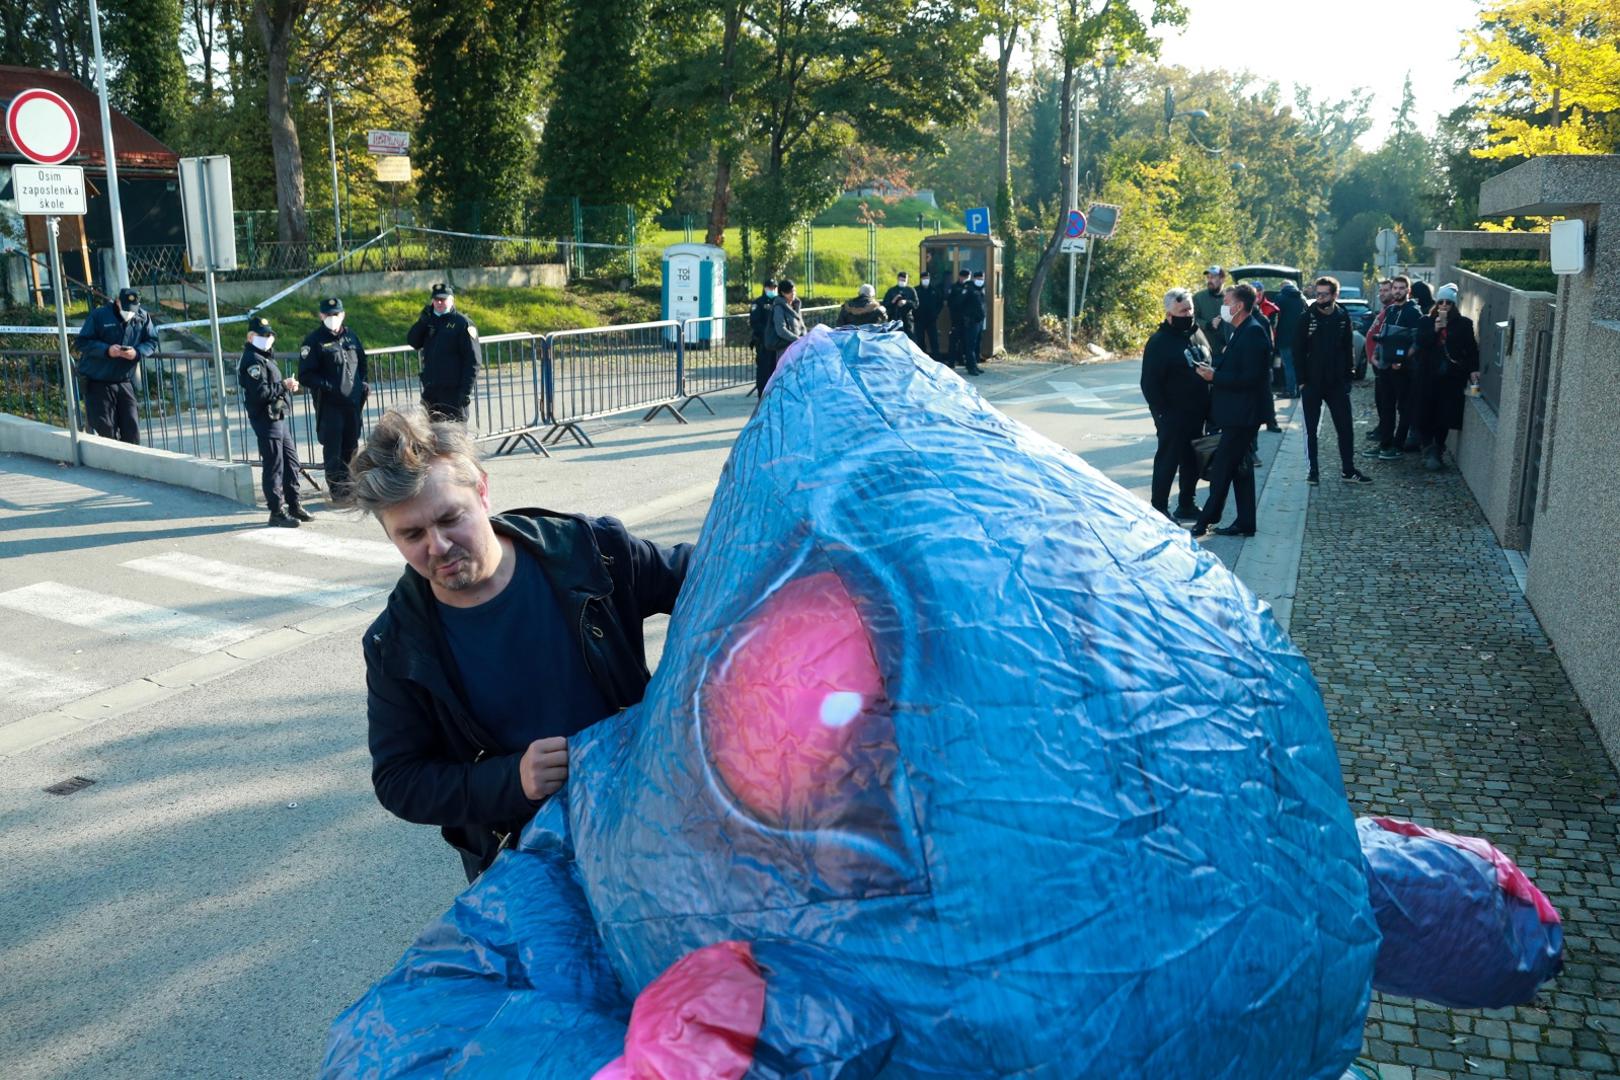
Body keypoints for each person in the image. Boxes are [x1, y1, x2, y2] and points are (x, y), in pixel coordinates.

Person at [350, 406, 692, 882]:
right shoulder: (396, 643)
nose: (439, 546)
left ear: (483, 491)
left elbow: (706, 579)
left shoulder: (586, 550)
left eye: (451, 518)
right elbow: (400, 780)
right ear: (390, 534)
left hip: (653, 817)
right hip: (528, 865)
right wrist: (512, 780)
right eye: (412, 534)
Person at [1191, 283, 1269, 539]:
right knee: (1241, 468)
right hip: (1238, 412)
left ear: (1238, 306)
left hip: (1243, 415)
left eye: (1226, 302)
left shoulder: (1253, 332)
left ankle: (1205, 521)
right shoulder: (1239, 330)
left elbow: (1251, 378)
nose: (1223, 306)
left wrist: (1215, 377)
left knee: (1223, 466)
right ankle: (1246, 522)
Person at [1140, 287, 1212, 522]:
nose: (1188, 314)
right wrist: (1162, 414)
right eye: (1182, 311)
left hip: (1197, 413)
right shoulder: (1159, 342)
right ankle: (1159, 507)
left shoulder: (1197, 334)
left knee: (1191, 462)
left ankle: (1186, 504)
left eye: (1190, 309)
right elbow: (1149, 383)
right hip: (1172, 414)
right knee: (1168, 461)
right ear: (1169, 315)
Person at [1294, 277, 1373, 486]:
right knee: (1311, 430)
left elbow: (1348, 348)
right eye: (1317, 294)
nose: (1320, 298)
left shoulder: (1342, 315)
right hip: (1312, 382)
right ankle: (1313, 471)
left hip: (1337, 382)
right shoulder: (1306, 318)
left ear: (1334, 295)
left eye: (1324, 294)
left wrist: (1349, 376)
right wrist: (1301, 380)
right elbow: (1297, 351)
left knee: (1345, 427)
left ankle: (1348, 469)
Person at [237, 316, 311, 528]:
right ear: (251, 337)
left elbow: (272, 386)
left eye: (270, 335)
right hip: (265, 418)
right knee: (274, 465)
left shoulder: (264, 357)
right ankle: (276, 512)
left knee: (291, 461)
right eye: (263, 335)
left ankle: (294, 504)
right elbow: (260, 392)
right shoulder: (252, 359)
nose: (268, 338)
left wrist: (286, 386)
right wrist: (284, 386)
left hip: (277, 417)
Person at [299, 297, 368, 501]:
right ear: (321, 316)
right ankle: (338, 492)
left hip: (352, 404)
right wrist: (328, 387)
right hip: (330, 406)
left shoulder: (351, 337)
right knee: (334, 450)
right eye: (328, 315)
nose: (332, 318)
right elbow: (306, 375)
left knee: (351, 447)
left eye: (336, 314)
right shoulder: (314, 341)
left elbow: (362, 363)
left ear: (343, 314)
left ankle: (351, 488)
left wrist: (362, 384)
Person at [75, 286, 158, 444]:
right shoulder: (99, 315)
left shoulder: (142, 316)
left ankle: (132, 464)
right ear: (117, 302)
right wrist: (106, 350)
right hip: (98, 380)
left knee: (131, 427)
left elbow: (152, 341)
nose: (129, 312)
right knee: (106, 427)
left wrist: (137, 352)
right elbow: (82, 342)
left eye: (133, 308)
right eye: (126, 308)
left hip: (124, 380)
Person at [1414, 283, 1479, 471]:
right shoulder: (1426, 321)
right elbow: (1420, 342)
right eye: (1441, 302)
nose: (1444, 306)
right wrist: (1435, 329)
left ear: (1453, 305)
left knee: (1444, 414)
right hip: (1427, 375)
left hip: (1450, 377)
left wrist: (1473, 369)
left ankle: (1438, 448)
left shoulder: (1464, 324)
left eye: (1448, 303)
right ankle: (1428, 447)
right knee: (1424, 412)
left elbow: (1471, 349)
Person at [407, 283, 481, 422]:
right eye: (436, 299)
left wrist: (464, 392)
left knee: (454, 440)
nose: (439, 302)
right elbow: (413, 342)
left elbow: (473, 361)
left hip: (453, 393)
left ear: (451, 300)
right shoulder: (430, 320)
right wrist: (422, 322)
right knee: (429, 437)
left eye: (443, 299)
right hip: (431, 392)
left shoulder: (462, 323)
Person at [1372, 275, 1424, 460]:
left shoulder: (1414, 312)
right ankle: (1384, 444)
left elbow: (1417, 342)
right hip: (1386, 367)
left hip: (1404, 370)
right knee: (1386, 407)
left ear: (1408, 291)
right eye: (1395, 288)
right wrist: (1375, 356)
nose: (1398, 291)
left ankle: (1397, 446)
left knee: (1404, 408)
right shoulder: (1391, 310)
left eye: (1402, 288)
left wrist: (1403, 360)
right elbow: (1383, 335)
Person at [1363, 280, 1394, 443]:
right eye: (1380, 290)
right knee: (1379, 400)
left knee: (1384, 401)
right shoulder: (1385, 309)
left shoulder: (1392, 310)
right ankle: (1381, 427)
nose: (1382, 293)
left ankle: (1385, 432)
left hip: (1383, 362)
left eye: (1386, 290)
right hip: (1377, 363)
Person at [1272, 280, 1307, 399]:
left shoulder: (1280, 298)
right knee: (1297, 364)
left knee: (1288, 365)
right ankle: (1298, 389)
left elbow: (1274, 316)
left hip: (1284, 336)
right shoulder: (1302, 298)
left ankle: (1290, 390)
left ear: (1282, 287)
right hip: (1300, 338)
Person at [748, 278, 778, 395]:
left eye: (774, 287)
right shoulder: (758, 303)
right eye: (770, 287)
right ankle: (762, 394)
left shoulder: (778, 302)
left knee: (775, 368)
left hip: (776, 342)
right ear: (765, 288)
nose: (772, 290)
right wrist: (767, 334)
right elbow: (755, 322)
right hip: (763, 341)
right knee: (763, 370)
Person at [769, 278, 807, 368]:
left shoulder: (795, 305)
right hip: (785, 348)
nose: (793, 293)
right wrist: (797, 339)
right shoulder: (779, 308)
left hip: (798, 347)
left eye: (794, 291)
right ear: (782, 293)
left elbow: (801, 325)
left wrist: (805, 337)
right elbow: (781, 329)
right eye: (789, 291)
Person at [1192, 266, 1228, 362]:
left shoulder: (1231, 297)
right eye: (1208, 277)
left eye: (1213, 277)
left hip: (1227, 352)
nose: (1209, 280)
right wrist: (1208, 324)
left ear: (1222, 279)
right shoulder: (1198, 298)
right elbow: (1192, 320)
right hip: (1205, 352)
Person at [958, 270, 987, 376]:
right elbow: (960, 302)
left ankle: (975, 365)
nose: (981, 281)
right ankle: (970, 367)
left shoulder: (980, 289)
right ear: (974, 279)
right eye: (979, 279)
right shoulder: (968, 289)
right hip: (971, 321)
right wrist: (966, 315)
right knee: (970, 345)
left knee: (976, 345)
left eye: (982, 279)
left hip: (979, 321)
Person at [915, 269, 944, 359]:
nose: (925, 279)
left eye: (927, 278)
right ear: (921, 279)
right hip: (919, 319)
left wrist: (936, 313)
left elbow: (940, 303)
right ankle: (922, 358)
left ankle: (936, 358)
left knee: (934, 340)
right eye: (924, 278)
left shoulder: (935, 290)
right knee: (920, 340)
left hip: (931, 319)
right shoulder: (916, 290)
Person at [946, 269, 970, 369]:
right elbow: (951, 303)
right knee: (954, 341)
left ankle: (962, 360)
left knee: (965, 341)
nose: (965, 279)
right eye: (964, 277)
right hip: (956, 318)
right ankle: (951, 361)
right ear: (960, 277)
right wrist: (962, 295)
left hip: (967, 319)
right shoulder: (954, 288)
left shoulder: (969, 287)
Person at [883, 272, 919, 338]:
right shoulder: (891, 291)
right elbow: (885, 304)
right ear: (898, 279)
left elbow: (916, 304)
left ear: (907, 280)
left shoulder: (911, 290)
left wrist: (906, 302)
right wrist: (893, 301)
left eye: (904, 280)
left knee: (910, 339)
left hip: (907, 320)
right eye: (901, 280)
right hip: (894, 319)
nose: (902, 282)